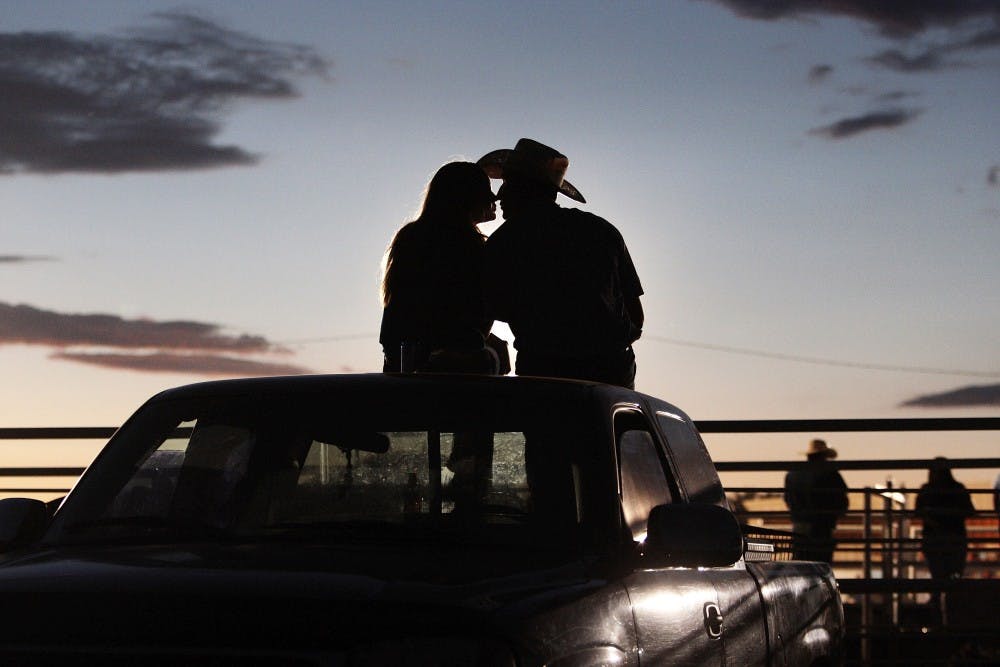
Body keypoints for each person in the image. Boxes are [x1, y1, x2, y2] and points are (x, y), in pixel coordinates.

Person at [477, 138, 644, 389]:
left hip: (542, 371)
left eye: (508, 183)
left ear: (525, 187)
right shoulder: (602, 230)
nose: (499, 195)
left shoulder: (504, 241)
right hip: (612, 370)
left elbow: (491, 307)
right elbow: (636, 315)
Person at [379, 161, 506, 374]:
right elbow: (474, 318)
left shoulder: (410, 238)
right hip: (451, 372)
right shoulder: (470, 246)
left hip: (401, 364)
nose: (492, 201)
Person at [783, 439, 849, 563]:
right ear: (824, 456)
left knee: (800, 563)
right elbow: (841, 500)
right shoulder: (831, 474)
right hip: (822, 527)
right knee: (821, 563)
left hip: (799, 526)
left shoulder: (792, 474)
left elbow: (788, 499)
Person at [915, 458, 975, 582]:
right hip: (955, 537)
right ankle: (951, 593)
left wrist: (932, 518)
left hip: (934, 538)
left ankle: (938, 593)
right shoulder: (958, 488)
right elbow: (970, 511)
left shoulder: (927, 489)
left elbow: (918, 512)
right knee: (954, 576)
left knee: (937, 575)